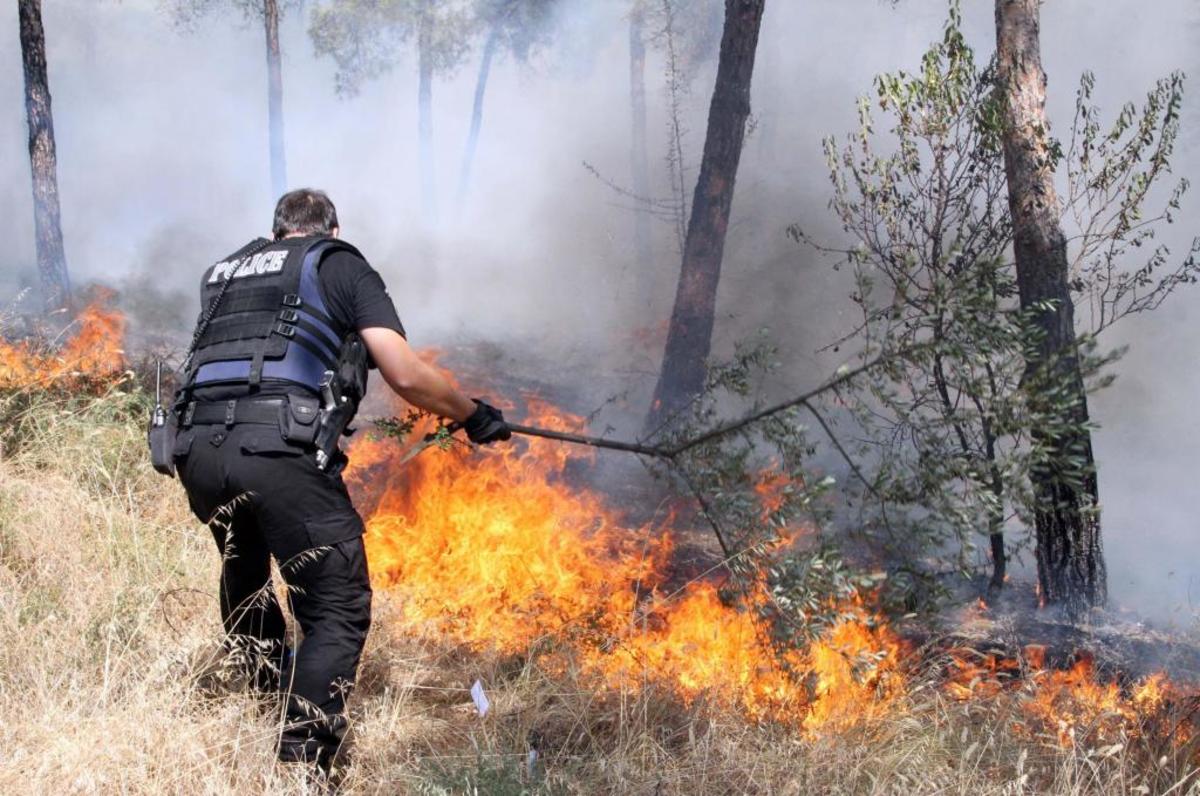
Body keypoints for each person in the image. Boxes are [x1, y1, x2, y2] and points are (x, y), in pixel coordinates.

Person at [171, 188, 511, 769]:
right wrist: (471, 414)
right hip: (276, 446)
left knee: (245, 569)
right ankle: (303, 762)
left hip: (195, 451)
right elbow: (402, 369)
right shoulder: (338, 263)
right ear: (331, 228)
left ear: (276, 232)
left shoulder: (223, 272)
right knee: (335, 603)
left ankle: (264, 701)